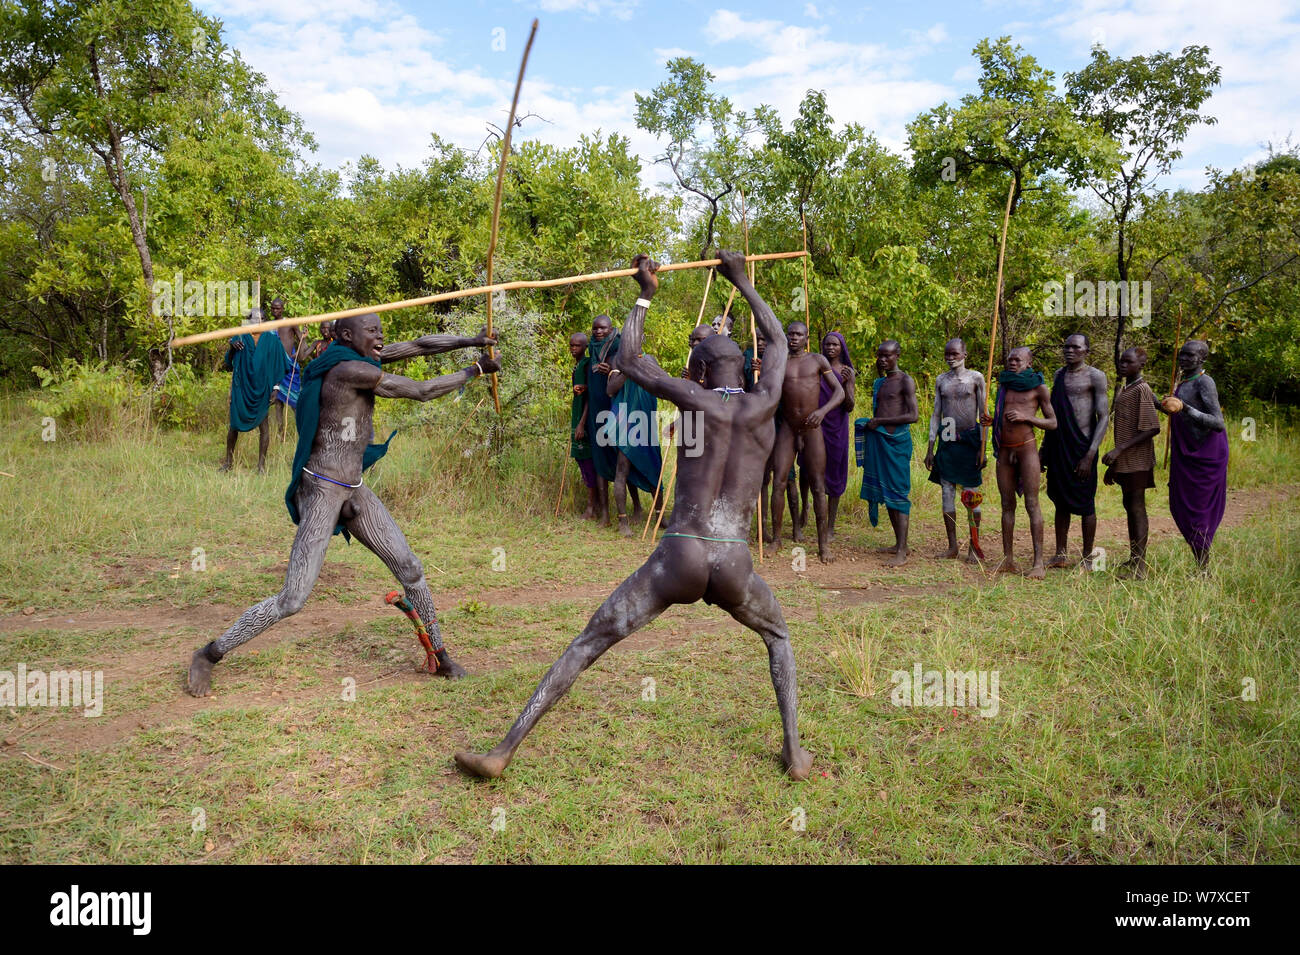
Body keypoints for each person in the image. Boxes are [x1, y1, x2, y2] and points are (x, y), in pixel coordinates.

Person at [454, 250, 811, 781]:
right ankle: (794, 752)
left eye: (695, 363)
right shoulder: (763, 402)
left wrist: (644, 293)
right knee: (778, 637)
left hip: (683, 553)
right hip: (735, 560)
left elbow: (629, 358)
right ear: (742, 365)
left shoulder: (694, 397)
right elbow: (778, 341)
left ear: (703, 370)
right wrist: (742, 279)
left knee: (589, 642)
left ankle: (503, 751)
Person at [186, 318, 499, 696]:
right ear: (348, 337)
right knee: (293, 599)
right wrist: (476, 369)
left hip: (353, 488)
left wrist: (472, 339)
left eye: (383, 329)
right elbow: (422, 390)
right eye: (372, 331)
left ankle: (440, 655)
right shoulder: (349, 369)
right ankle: (209, 654)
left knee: (411, 569)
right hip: (322, 490)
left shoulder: (359, 354)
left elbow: (417, 345)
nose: (381, 337)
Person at [769, 321, 844, 562]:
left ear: (806, 338)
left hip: (813, 428)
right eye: (790, 334)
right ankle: (776, 539)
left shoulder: (818, 360)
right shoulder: (779, 361)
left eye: (798, 334)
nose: (793, 338)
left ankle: (824, 547)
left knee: (818, 486)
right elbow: (768, 389)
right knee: (779, 481)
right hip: (788, 428)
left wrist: (822, 412)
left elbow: (839, 393)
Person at [1157, 339, 1228, 573]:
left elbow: (1217, 423)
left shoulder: (1204, 382)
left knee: (1198, 510)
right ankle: (1200, 563)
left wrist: (1185, 408)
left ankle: (1203, 568)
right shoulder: (1183, 381)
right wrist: (1159, 403)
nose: (1184, 359)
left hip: (1205, 453)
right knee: (1180, 505)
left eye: (1190, 356)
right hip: (1185, 453)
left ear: (1202, 359)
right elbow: (1176, 409)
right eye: (1182, 355)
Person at [1041, 334, 1110, 569]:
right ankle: (1060, 553)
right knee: (1060, 502)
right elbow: (1052, 415)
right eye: (1066, 346)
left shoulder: (1096, 376)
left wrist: (1090, 454)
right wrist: (1044, 451)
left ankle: (1088, 556)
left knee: (1086, 503)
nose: (1070, 350)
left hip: (1082, 447)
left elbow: (1104, 417)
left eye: (1076, 347)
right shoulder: (1058, 375)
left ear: (1086, 351)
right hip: (1059, 446)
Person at [989, 347, 1057, 578]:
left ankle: (1038, 563)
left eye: (1018, 360)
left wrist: (1027, 417)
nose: (1013, 363)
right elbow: (1001, 413)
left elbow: (1053, 422)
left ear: (1029, 362)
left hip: (1027, 450)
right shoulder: (1004, 384)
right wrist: (993, 420)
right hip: (1005, 453)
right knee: (1007, 504)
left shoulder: (1039, 387)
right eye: (1010, 359)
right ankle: (1008, 559)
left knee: (1032, 503)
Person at [924, 338, 987, 561]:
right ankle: (952, 546)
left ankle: (975, 546)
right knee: (947, 491)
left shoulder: (976, 378)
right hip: (947, 438)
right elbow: (936, 414)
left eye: (955, 354)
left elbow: (983, 415)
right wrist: (931, 446)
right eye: (947, 354)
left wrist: (983, 448)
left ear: (964, 355)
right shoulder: (942, 380)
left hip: (970, 439)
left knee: (971, 493)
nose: (951, 358)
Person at [856, 341, 917, 566]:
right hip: (880, 442)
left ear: (897, 356)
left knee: (899, 494)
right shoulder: (879, 382)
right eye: (880, 356)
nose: (882, 360)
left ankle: (902, 550)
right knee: (887, 493)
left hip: (897, 442)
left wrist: (880, 421)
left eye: (887, 356)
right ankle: (899, 544)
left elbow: (913, 415)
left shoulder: (905, 381)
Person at [1102, 347, 1161, 578]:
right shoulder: (1128, 389)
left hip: (1137, 459)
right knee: (1130, 506)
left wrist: (1119, 450)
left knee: (1136, 508)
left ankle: (1140, 567)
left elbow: (1152, 427)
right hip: (1126, 460)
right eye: (1121, 361)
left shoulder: (1142, 389)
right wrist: (1115, 465)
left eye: (1129, 361)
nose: (1123, 364)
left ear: (1141, 364)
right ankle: (1134, 558)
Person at [798, 332, 855, 541]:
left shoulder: (846, 371)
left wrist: (848, 384)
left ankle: (829, 526)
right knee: (806, 466)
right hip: (814, 423)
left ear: (842, 347)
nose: (831, 348)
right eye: (827, 344)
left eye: (835, 344)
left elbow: (849, 406)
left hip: (836, 425)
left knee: (835, 469)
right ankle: (804, 511)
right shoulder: (817, 366)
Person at [219, 307, 290, 474]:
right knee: (234, 425)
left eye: (261, 319)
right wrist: (232, 348)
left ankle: (261, 466)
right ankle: (228, 463)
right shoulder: (240, 337)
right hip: (241, 388)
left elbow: (280, 365)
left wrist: (276, 387)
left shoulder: (272, 341)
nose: (258, 322)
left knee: (264, 426)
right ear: (247, 320)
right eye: (253, 319)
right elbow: (228, 364)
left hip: (263, 389)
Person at [604, 352, 663, 537]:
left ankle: (660, 517)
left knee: (655, 468)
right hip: (626, 423)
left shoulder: (650, 359)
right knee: (622, 470)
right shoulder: (618, 360)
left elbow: (663, 382)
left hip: (645, 421)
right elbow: (610, 390)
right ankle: (623, 521)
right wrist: (628, 369)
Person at [586, 314, 620, 526]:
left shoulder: (619, 346)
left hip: (615, 412)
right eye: (595, 329)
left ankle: (630, 510)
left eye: (603, 328)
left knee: (620, 458)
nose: (598, 332)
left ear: (611, 329)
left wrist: (614, 372)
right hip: (595, 414)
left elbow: (628, 371)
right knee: (599, 461)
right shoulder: (591, 351)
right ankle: (605, 514)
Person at [568, 332, 599, 520]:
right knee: (581, 459)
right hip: (577, 414)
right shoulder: (577, 366)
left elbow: (589, 397)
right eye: (571, 345)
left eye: (577, 346)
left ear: (585, 347)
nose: (573, 349)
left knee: (587, 461)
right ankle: (592, 506)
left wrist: (581, 424)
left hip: (585, 419)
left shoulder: (587, 365)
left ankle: (591, 508)